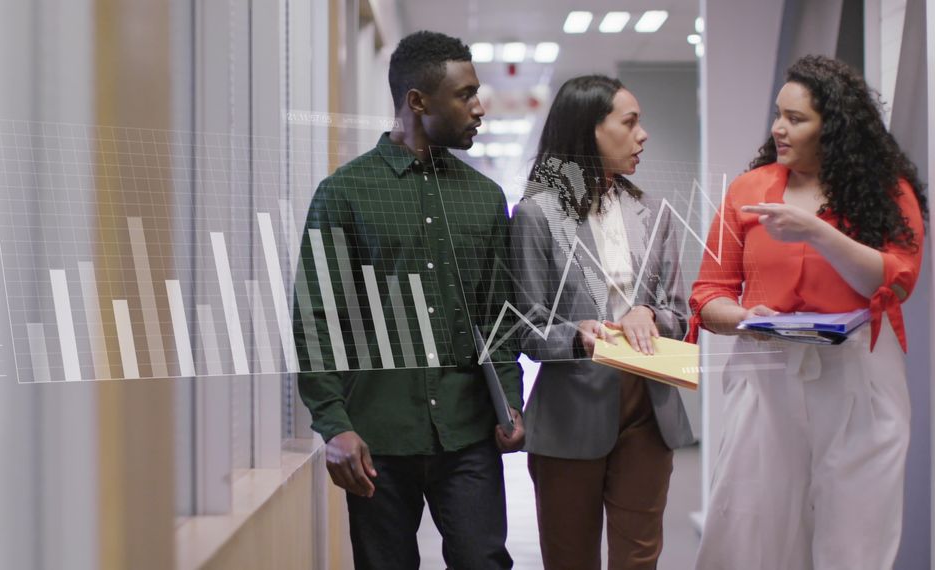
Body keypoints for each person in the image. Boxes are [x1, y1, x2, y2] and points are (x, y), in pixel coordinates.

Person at [293, 30, 524, 570]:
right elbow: (316, 315)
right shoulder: (345, 193)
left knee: (483, 561)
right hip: (378, 439)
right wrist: (334, 423)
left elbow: (497, 316)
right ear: (418, 101)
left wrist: (509, 401)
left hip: (468, 435)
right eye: (464, 94)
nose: (478, 107)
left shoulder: (485, 198)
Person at [689, 55, 927, 569]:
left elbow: (896, 279)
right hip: (766, 373)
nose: (779, 127)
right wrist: (746, 317)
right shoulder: (748, 191)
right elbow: (709, 295)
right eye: (778, 114)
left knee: (855, 534)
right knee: (750, 531)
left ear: (834, 127)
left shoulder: (884, 192)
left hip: (858, 376)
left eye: (796, 119)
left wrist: (817, 231)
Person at [510, 75, 695, 569]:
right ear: (590, 131)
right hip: (570, 412)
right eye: (630, 122)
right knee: (570, 559)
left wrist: (649, 313)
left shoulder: (653, 213)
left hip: (649, 407)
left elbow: (681, 311)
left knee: (639, 559)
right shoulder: (536, 216)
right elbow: (526, 329)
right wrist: (577, 335)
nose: (643, 134)